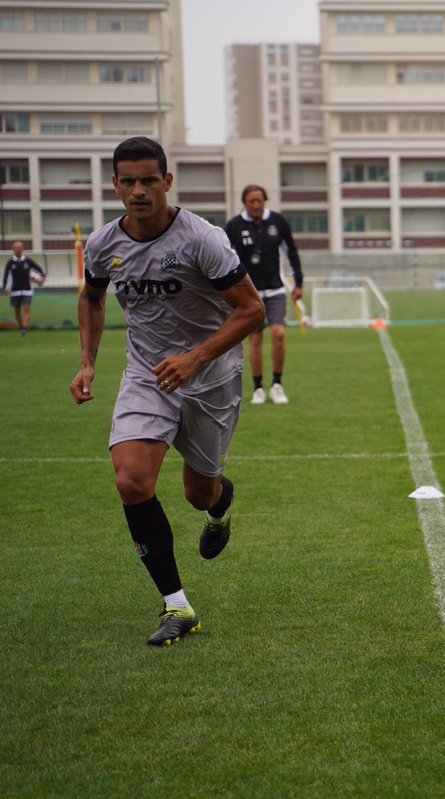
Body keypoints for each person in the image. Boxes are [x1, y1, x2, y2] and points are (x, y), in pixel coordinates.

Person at [70, 136, 265, 646]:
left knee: (197, 491)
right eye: (128, 181)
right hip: (146, 376)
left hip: (211, 378)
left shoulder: (202, 238)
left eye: (148, 180)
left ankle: (220, 506)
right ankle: (177, 607)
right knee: (132, 481)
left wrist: (195, 357)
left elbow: (251, 310)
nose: (138, 191)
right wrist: (88, 362)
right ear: (115, 185)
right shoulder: (102, 244)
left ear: (167, 182)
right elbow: (91, 298)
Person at [224, 185, 304, 405]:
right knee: (255, 339)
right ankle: (258, 388)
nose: (256, 205)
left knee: (279, 333)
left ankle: (277, 384)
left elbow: (292, 251)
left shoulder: (277, 222)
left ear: (265, 201)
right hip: (249, 294)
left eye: (260, 200)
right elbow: (225, 258)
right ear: (245, 203)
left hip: (276, 290)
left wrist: (299, 283)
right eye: (252, 201)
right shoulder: (234, 226)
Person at [3, 241, 46, 336]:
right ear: (13, 249)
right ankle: (21, 327)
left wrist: (42, 278)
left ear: (22, 249)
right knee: (17, 312)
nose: (17, 250)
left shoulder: (28, 261)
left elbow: (39, 269)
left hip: (27, 290)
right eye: (15, 248)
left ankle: (25, 327)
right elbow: (6, 275)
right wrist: (5, 287)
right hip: (15, 291)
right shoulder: (10, 262)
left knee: (26, 308)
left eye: (19, 248)